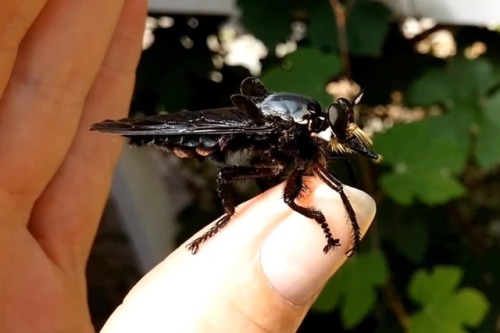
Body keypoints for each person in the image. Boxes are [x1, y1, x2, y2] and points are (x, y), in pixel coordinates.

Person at [0, 0, 376, 332]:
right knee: (293, 187)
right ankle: (231, 218)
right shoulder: (295, 129)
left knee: (292, 186)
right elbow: (302, 188)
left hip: (254, 132)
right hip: (218, 133)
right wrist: (329, 227)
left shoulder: (308, 133)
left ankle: (236, 218)